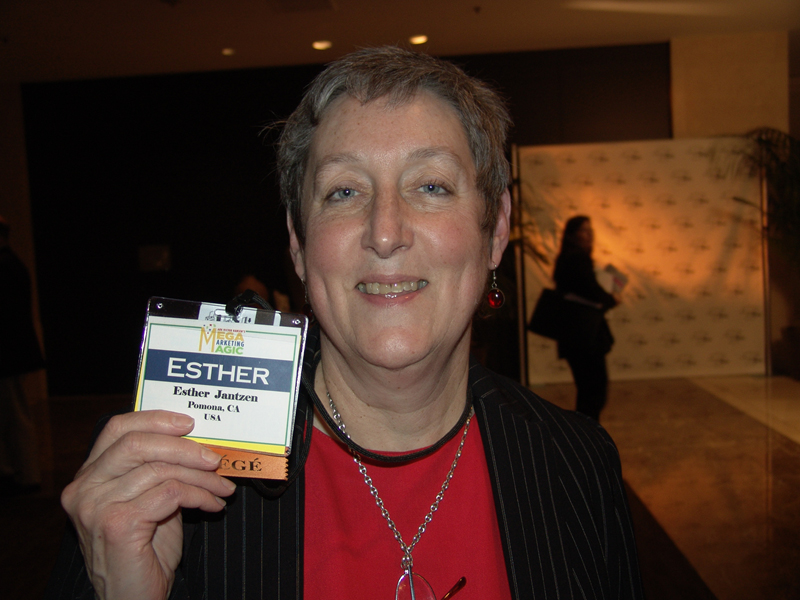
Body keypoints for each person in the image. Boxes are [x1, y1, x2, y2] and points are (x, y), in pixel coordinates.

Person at [46, 47, 642, 599]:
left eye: (431, 186)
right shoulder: (168, 476)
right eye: (343, 192)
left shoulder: (577, 462)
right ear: (299, 244)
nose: (385, 232)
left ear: (497, 226)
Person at [553, 216, 619, 422]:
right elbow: (591, 290)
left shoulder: (566, 258)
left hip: (575, 335)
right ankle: (587, 439)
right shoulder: (577, 258)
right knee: (594, 392)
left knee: (587, 390)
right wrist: (610, 299)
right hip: (584, 335)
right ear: (572, 236)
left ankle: (585, 437)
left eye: (590, 230)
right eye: (584, 231)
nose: (589, 235)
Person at [0, 215, 44, 496]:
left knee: (15, 415)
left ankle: (27, 474)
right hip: (11, 355)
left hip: (8, 356)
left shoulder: (6, 265)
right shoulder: (11, 263)